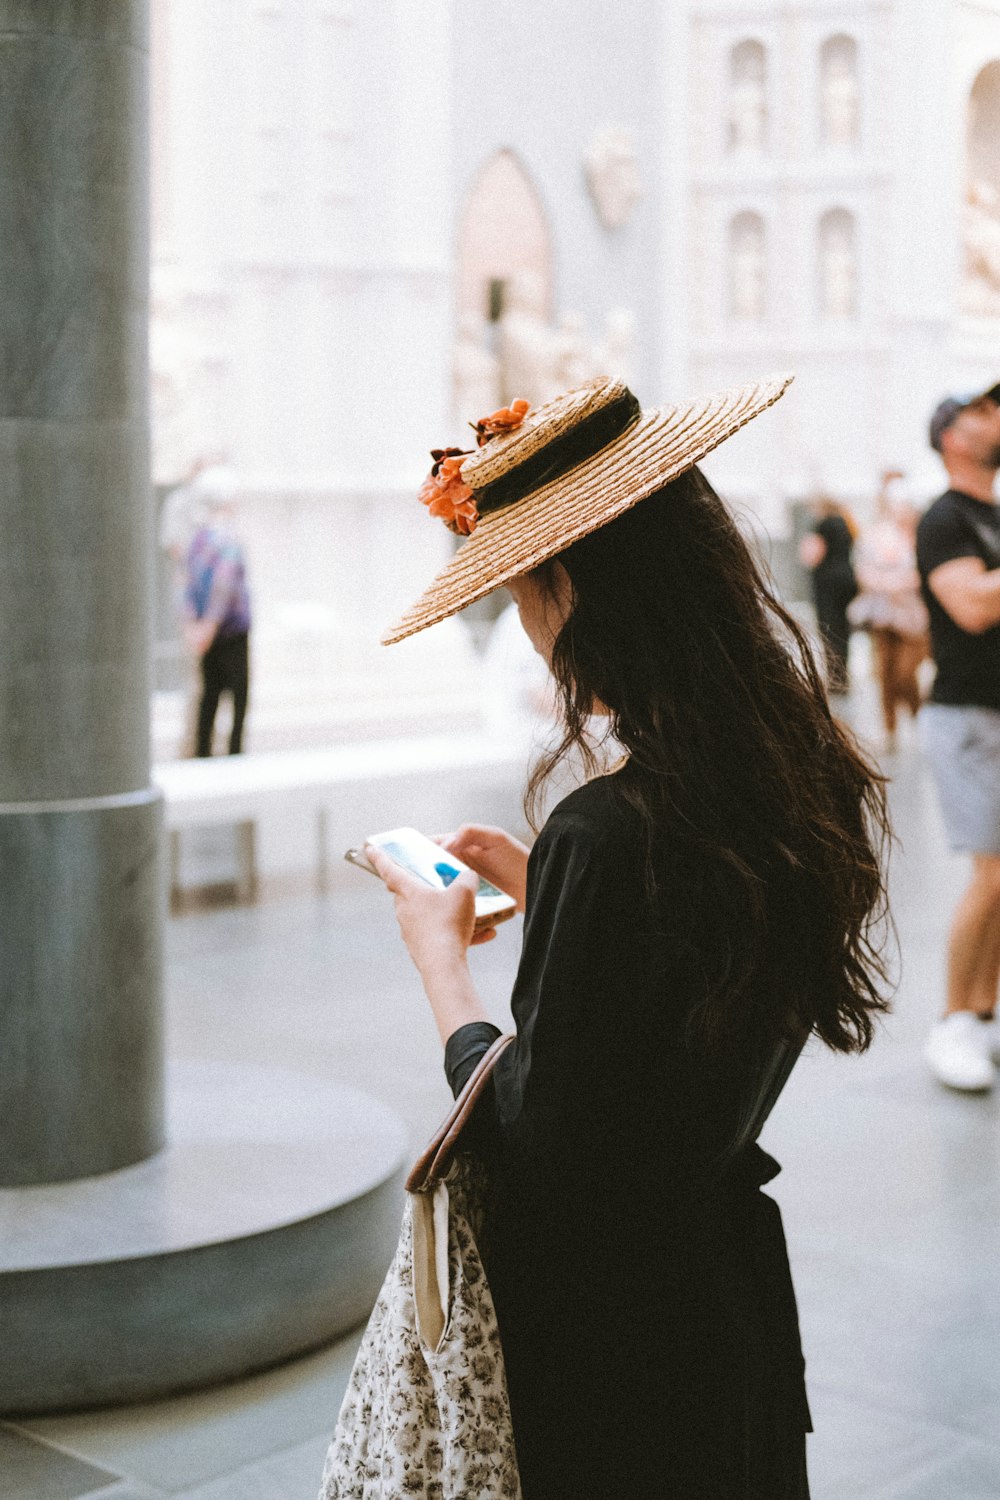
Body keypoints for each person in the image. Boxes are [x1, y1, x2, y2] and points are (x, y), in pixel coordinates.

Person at [353, 376, 890, 1499]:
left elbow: (542, 1145)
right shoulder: (803, 774)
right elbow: (671, 1028)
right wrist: (549, 882)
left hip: (608, 1354)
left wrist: (443, 963)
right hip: (728, 1313)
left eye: (519, 590)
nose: (524, 621)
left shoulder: (610, 831)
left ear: (574, 585)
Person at [917, 383, 1000, 1091]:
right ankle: (950, 1022)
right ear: (953, 436)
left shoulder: (991, 516)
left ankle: (982, 1012)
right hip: (967, 717)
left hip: (995, 712)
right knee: (991, 872)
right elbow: (971, 606)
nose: (998, 417)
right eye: (983, 410)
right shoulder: (944, 519)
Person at [849, 471, 929, 750]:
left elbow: (925, 572)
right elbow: (863, 572)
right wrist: (886, 584)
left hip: (912, 617)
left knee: (906, 673)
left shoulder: (918, 534)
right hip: (883, 615)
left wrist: (899, 583)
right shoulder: (873, 535)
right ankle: (891, 728)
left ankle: (920, 719)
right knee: (885, 674)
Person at [183, 464, 252, 757]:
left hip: (205, 630)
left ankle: (203, 752)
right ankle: (234, 752)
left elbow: (186, 584)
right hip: (231, 630)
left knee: (209, 695)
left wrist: (195, 627)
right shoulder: (228, 538)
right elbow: (223, 586)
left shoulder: (198, 539)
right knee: (237, 695)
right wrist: (209, 627)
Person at [798, 495, 857, 693]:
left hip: (828, 584)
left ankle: (835, 679)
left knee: (828, 630)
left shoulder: (822, 524)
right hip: (847, 580)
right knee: (843, 631)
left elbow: (812, 555)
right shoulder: (846, 523)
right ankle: (844, 677)